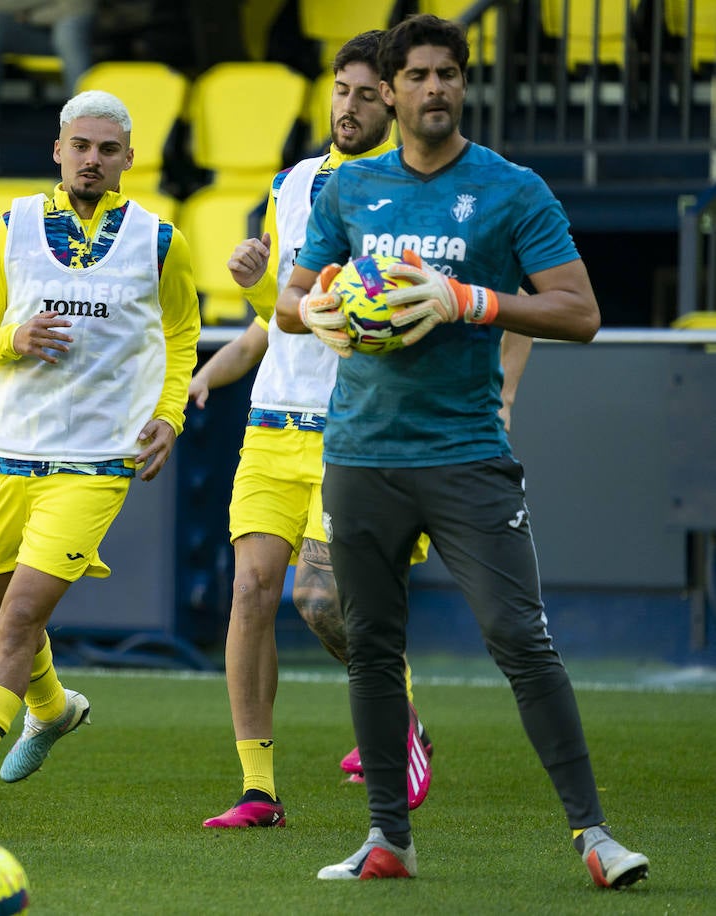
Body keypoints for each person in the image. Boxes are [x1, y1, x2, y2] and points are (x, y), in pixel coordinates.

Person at [274, 15, 648, 887]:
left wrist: (468, 299)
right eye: (418, 75)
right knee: (371, 644)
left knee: (520, 637)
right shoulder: (349, 190)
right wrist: (317, 311)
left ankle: (595, 835)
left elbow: (579, 313)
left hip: (465, 452)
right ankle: (387, 840)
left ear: (463, 85)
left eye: (449, 73)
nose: (434, 87)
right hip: (361, 451)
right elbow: (294, 295)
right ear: (392, 88)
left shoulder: (512, 190)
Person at [190, 31, 534, 829]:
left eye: (367, 94)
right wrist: (236, 327)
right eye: (341, 91)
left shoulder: (419, 193)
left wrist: (505, 394)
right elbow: (286, 315)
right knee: (250, 592)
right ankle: (257, 789)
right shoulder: (295, 183)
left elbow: (511, 302)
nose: (350, 106)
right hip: (273, 422)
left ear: (399, 102)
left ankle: (401, 720)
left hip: (360, 428)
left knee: (325, 603)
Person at [0, 89, 201, 833]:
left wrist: (168, 415)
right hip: (10, 454)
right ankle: (53, 708)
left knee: (14, 623)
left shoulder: (160, 240)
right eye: (82, 146)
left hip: (97, 463)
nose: (94, 160)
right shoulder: (11, 229)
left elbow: (180, 335)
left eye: (109, 149)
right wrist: (13, 340)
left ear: (128, 158)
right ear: (58, 150)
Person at [0, 0, 96, 176]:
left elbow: (82, 6)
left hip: (86, 31)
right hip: (37, 31)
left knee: (68, 31)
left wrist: (31, 14)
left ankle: (87, 144)